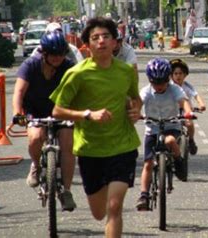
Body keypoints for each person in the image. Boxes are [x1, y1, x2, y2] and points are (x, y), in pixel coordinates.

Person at [49, 17, 141, 237]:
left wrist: (135, 110)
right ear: (87, 45)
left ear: (115, 42)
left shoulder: (126, 71)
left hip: (123, 146)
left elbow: (135, 98)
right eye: (95, 38)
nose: (101, 41)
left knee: (114, 207)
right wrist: (87, 114)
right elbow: (57, 111)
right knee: (99, 213)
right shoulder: (77, 74)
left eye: (106, 36)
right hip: (91, 150)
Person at [12, 31, 77, 211]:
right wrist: (18, 114)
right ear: (44, 53)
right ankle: (36, 164)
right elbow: (18, 92)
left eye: (61, 54)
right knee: (35, 137)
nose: (57, 58)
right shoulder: (30, 65)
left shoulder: (69, 67)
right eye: (53, 54)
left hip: (61, 112)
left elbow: (80, 91)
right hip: (35, 111)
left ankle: (66, 191)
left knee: (67, 142)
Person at [136, 58, 193, 211]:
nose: (160, 86)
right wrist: (135, 114)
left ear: (168, 78)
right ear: (150, 80)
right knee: (147, 163)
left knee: (170, 141)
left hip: (171, 125)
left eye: (163, 82)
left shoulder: (174, 89)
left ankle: (178, 161)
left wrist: (188, 113)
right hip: (152, 129)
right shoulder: (146, 91)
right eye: (156, 82)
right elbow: (137, 104)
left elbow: (183, 102)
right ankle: (144, 195)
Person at [170, 58, 206, 155]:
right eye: (175, 74)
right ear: (171, 76)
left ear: (185, 75)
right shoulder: (169, 86)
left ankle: (191, 140)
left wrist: (201, 104)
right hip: (172, 111)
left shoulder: (187, 86)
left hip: (186, 110)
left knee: (189, 124)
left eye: (180, 73)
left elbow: (196, 95)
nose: (178, 76)